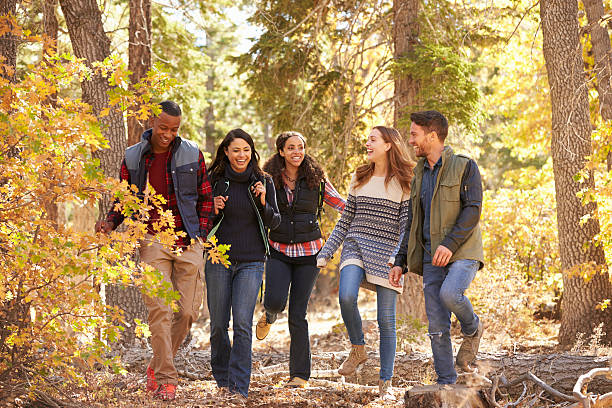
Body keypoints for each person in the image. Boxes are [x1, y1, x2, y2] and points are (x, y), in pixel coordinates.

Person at [95, 101, 213, 401]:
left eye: (174, 129)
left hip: (187, 240)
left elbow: (205, 197)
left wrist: (199, 234)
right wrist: (110, 223)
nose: (168, 134)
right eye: (163, 128)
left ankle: (158, 364)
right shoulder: (133, 156)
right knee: (159, 308)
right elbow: (125, 199)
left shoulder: (192, 153)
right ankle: (166, 380)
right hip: (152, 239)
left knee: (186, 313)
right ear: (153, 123)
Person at [316, 126, 414, 400]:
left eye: (373, 140)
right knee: (346, 296)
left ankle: (386, 383)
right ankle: (358, 348)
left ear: (388, 145)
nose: (367, 144)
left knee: (386, 320)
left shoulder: (405, 182)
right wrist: (327, 250)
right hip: (356, 245)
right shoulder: (360, 177)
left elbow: (405, 227)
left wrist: (399, 260)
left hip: (388, 253)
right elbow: (346, 220)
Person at [390, 110, 485, 385]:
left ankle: (473, 327)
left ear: (432, 136)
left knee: (450, 294)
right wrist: (400, 260)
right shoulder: (419, 173)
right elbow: (413, 221)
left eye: (414, 135)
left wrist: (449, 244)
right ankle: (446, 382)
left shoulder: (465, 165)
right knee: (436, 326)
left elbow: (473, 210)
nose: (411, 141)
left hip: (463, 251)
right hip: (432, 256)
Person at [254, 131, 346, 387]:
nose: (297, 152)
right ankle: (270, 316)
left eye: (301, 147)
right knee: (273, 301)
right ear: (281, 152)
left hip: (310, 253)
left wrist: (367, 210)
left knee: (298, 314)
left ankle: (299, 376)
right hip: (278, 249)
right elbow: (258, 211)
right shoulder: (268, 179)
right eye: (291, 147)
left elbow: (340, 204)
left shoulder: (316, 179)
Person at [205, 128, 281, 402]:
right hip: (218, 259)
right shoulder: (214, 180)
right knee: (217, 324)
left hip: (251, 261)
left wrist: (263, 202)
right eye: (236, 150)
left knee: (242, 325)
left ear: (252, 152)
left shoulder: (263, 181)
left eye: (246, 150)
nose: (241, 155)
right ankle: (222, 378)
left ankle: (238, 387)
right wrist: (211, 208)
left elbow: (275, 222)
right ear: (226, 151)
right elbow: (202, 221)